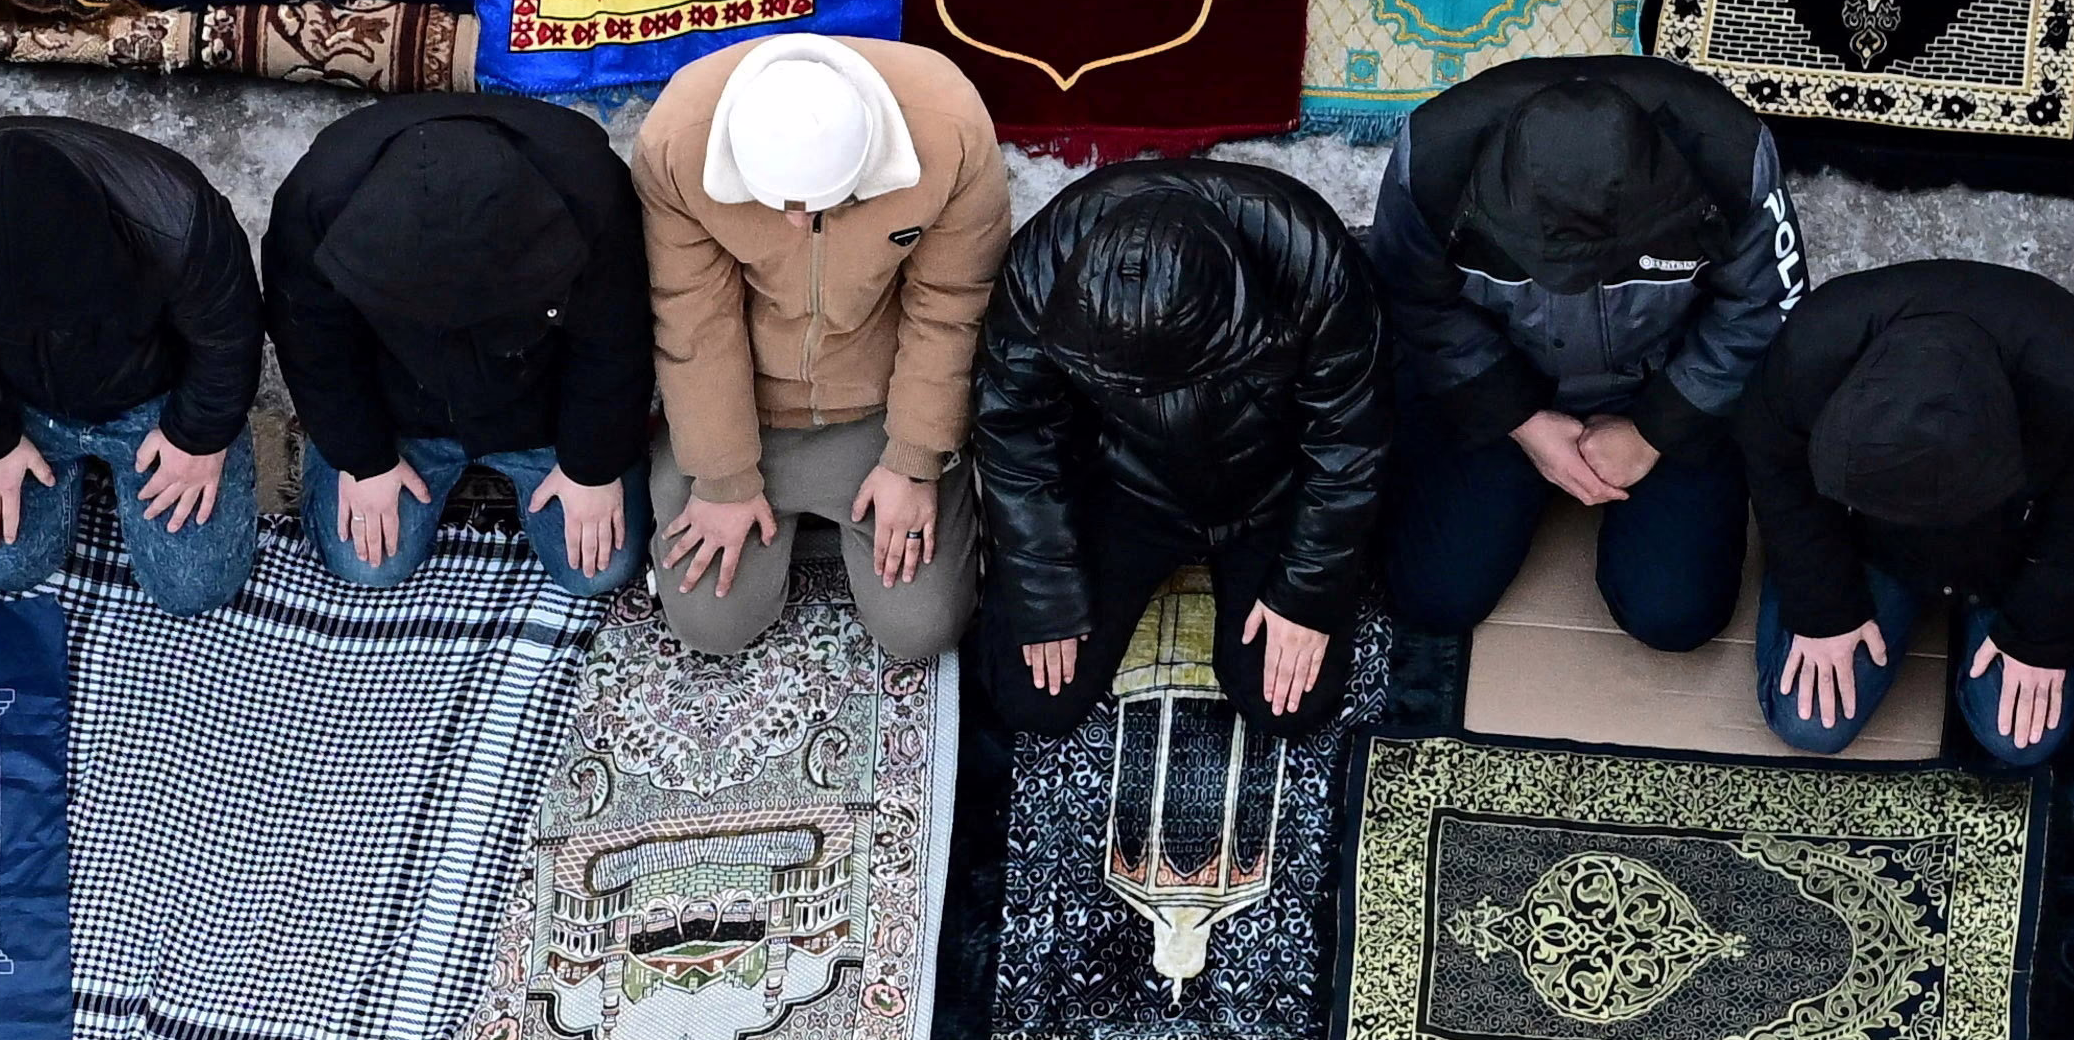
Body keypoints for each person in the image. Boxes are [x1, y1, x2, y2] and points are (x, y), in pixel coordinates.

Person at [1367, 54, 1794, 648]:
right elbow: (1410, 299)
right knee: (1433, 597)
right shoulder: (1435, 153)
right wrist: (1522, 421)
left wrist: (1655, 430)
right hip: (1502, 380)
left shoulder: (1729, 150)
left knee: (1675, 617)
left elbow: (1765, 308)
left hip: (1666, 384)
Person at [981, 156, 1390, 728]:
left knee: (1289, 707)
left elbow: (1348, 442)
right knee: (1031, 698)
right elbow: (1013, 426)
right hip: (1124, 483)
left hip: (1272, 491)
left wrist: (1305, 595)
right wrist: (1046, 586)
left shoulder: (1315, 259)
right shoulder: (1042, 260)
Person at [638, 36, 1001, 674]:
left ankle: (938, 484)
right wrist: (721, 477)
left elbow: (951, 302)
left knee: (924, 627)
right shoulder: (677, 139)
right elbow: (693, 317)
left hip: (879, 408)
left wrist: (915, 459)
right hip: (750, 407)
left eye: (823, 205)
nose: (794, 225)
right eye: (773, 203)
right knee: (710, 624)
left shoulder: (949, 126)